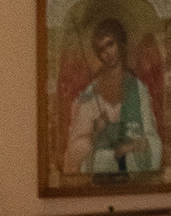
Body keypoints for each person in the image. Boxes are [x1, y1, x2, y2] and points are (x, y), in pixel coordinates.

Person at [66, 10, 163, 180]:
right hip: (101, 168)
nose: (107, 53)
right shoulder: (90, 94)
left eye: (110, 44)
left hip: (134, 165)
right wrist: (95, 133)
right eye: (101, 49)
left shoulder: (139, 90)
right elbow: (74, 150)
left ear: (120, 43)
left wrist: (131, 146)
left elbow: (153, 140)